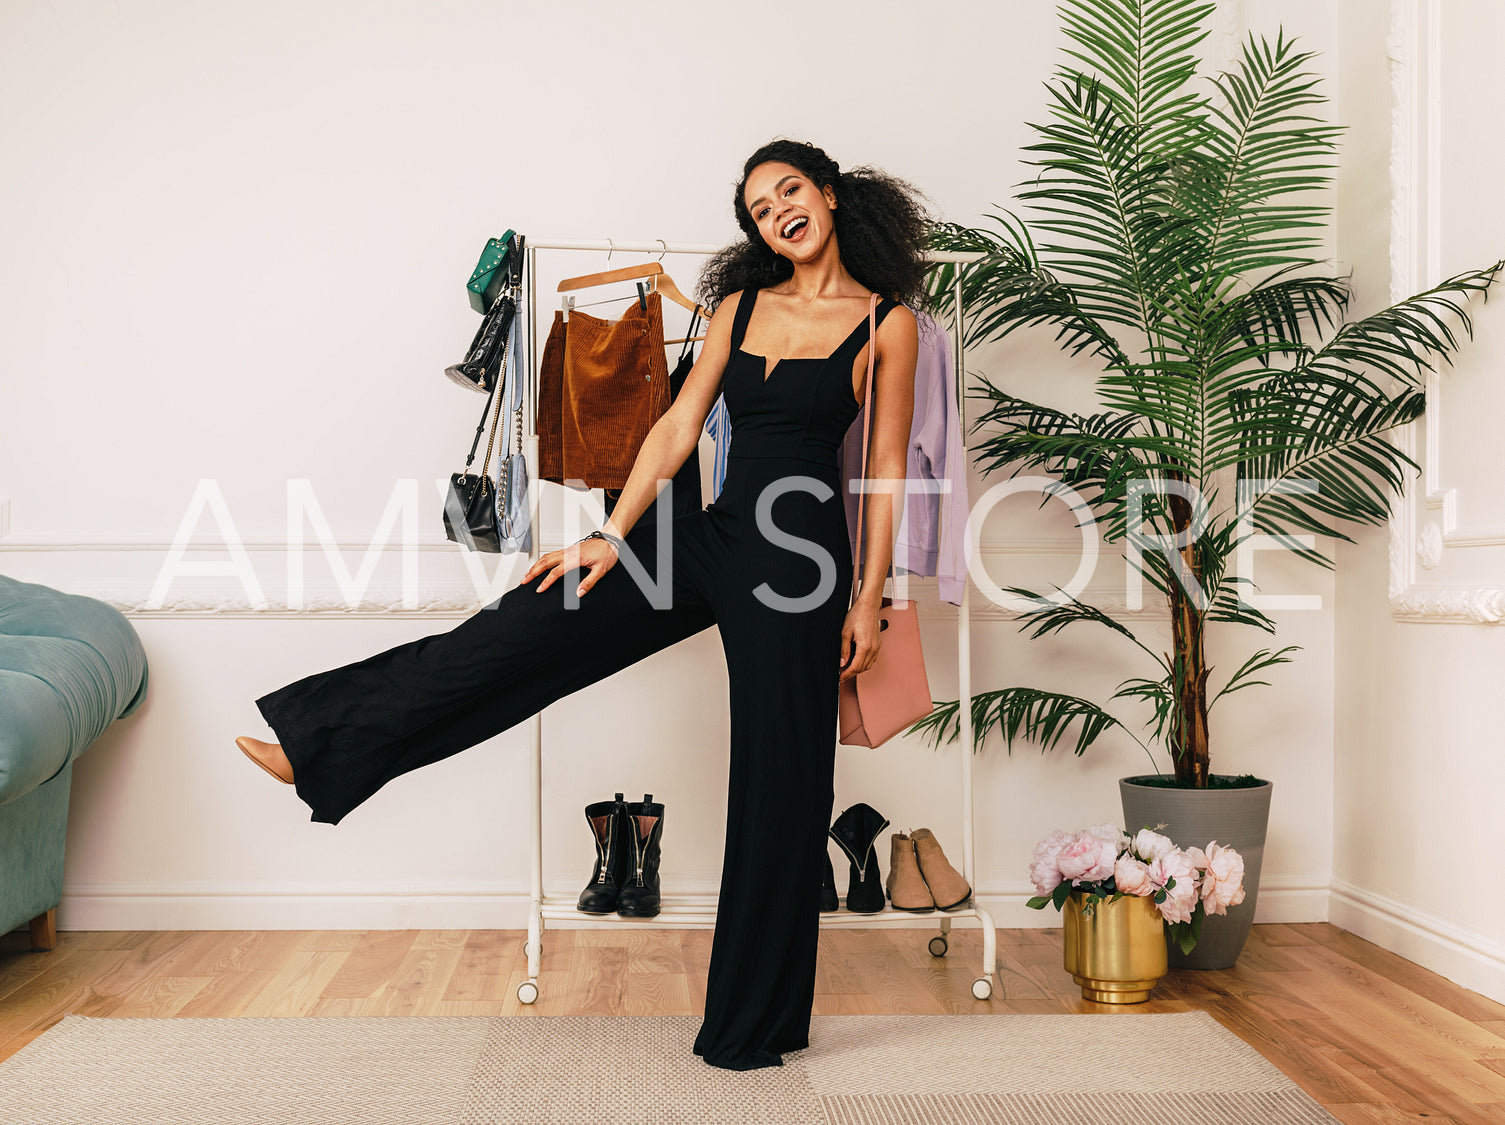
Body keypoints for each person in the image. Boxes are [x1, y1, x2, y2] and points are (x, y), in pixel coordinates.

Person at [236, 138, 927, 1071]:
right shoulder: (738, 307)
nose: (778, 215)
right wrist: (611, 536)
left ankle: (753, 1027)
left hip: (798, 565)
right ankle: (325, 741)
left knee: (782, 783)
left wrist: (868, 599)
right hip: (715, 536)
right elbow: (677, 426)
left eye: (789, 193)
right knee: (532, 622)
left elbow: (882, 473)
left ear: (831, 196)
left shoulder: (888, 324)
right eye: (760, 210)